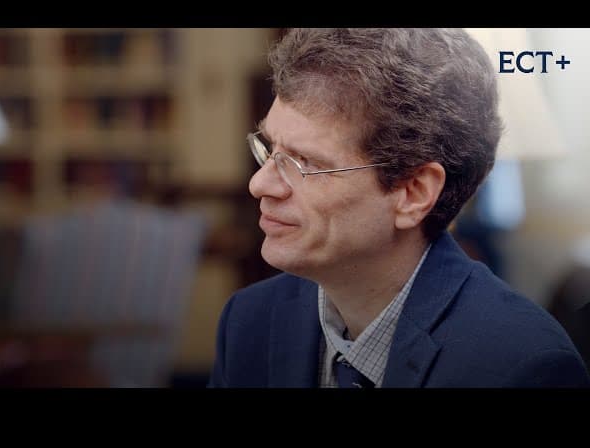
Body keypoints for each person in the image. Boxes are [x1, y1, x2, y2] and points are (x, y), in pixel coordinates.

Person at [208, 28, 590, 388]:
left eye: (303, 162)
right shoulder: (249, 321)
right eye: (269, 149)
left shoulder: (521, 365)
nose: (259, 185)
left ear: (414, 192)